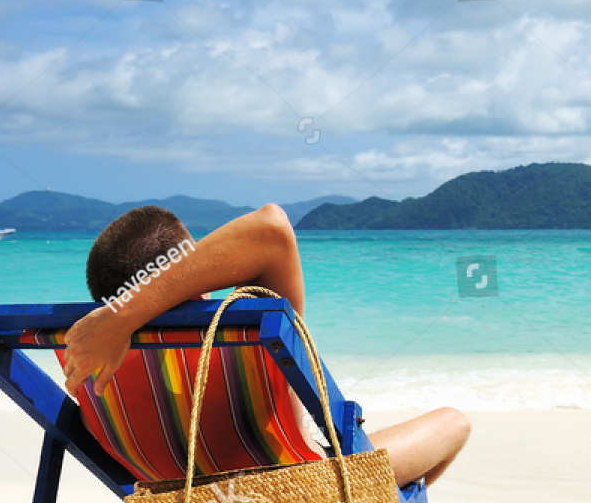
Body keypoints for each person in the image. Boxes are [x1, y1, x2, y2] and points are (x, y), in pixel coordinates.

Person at [61, 203, 471, 488]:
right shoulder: (238, 332)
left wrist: (121, 319)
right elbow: (272, 229)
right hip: (302, 491)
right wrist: (127, 315)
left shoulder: (84, 356)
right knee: (455, 422)